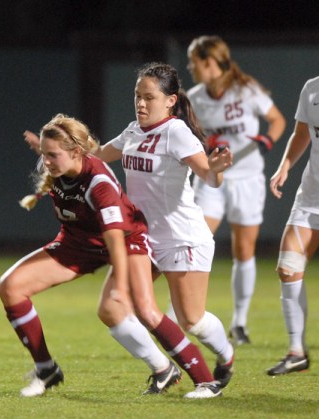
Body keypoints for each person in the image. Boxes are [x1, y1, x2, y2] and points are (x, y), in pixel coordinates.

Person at [0, 113, 220, 399]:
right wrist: (44, 148)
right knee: (11, 287)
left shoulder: (99, 184)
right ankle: (47, 369)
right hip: (79, 242)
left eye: (53, 155)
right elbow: (56, 156)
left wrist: (124, 282)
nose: (47, 161)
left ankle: (206, 381)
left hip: (126, 241)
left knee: (144, 309)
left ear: (76, 152)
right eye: (44, 154)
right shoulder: (57, 164)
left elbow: (116, 238)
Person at [97, 62, 235, 398]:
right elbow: (97, 157)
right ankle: (163, 368)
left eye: (149, 97)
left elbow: (208, 176)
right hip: (142, 239)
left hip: (180, 238)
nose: (141, 104)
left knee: (192, 320)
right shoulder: (133, 130)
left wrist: (216, 170)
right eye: (137, 96)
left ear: (171, 100)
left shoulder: (176, 132)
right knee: (112, 308)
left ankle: (225, 355)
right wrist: (61, 154)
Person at [186, 35, 286, 345]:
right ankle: (186, 311)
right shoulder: (194, 97)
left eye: (195, 61)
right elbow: (189, 137)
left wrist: (267, 141)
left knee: (244, 251)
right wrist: (204, 146)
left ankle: (239, 323)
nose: (191, 67)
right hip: (211, 179)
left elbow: (277, 121)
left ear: (211, 62)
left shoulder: (247, 90)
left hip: (247, 178)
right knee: (196, 240)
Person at [266, 76, 319, 376]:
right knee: (288, 266)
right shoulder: (312, 87)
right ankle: (296, 352)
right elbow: (302, 131)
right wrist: (285, 164)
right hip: (311, 198)